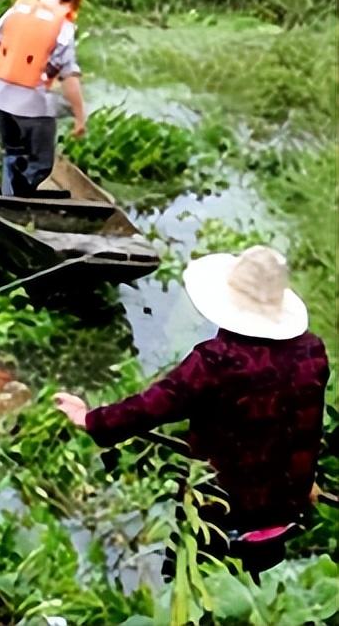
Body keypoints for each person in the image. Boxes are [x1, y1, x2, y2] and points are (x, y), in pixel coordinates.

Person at [54, 246, 330, 578]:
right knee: (259, 590)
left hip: (219, 509)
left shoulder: (218, 360)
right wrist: (305, 482)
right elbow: (305, 427)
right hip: (281, 512)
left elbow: (156, 404)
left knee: (191, 582)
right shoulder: (311, 351)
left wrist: (91, 419)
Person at [0, 0, 89, 197]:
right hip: (30, 102)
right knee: (40, 163)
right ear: (75, 0)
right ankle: (21, 196)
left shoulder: (19, 10)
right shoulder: (63, 26)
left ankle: (9, 199)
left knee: (12, 152)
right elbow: (69, 76)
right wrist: (80, 116)